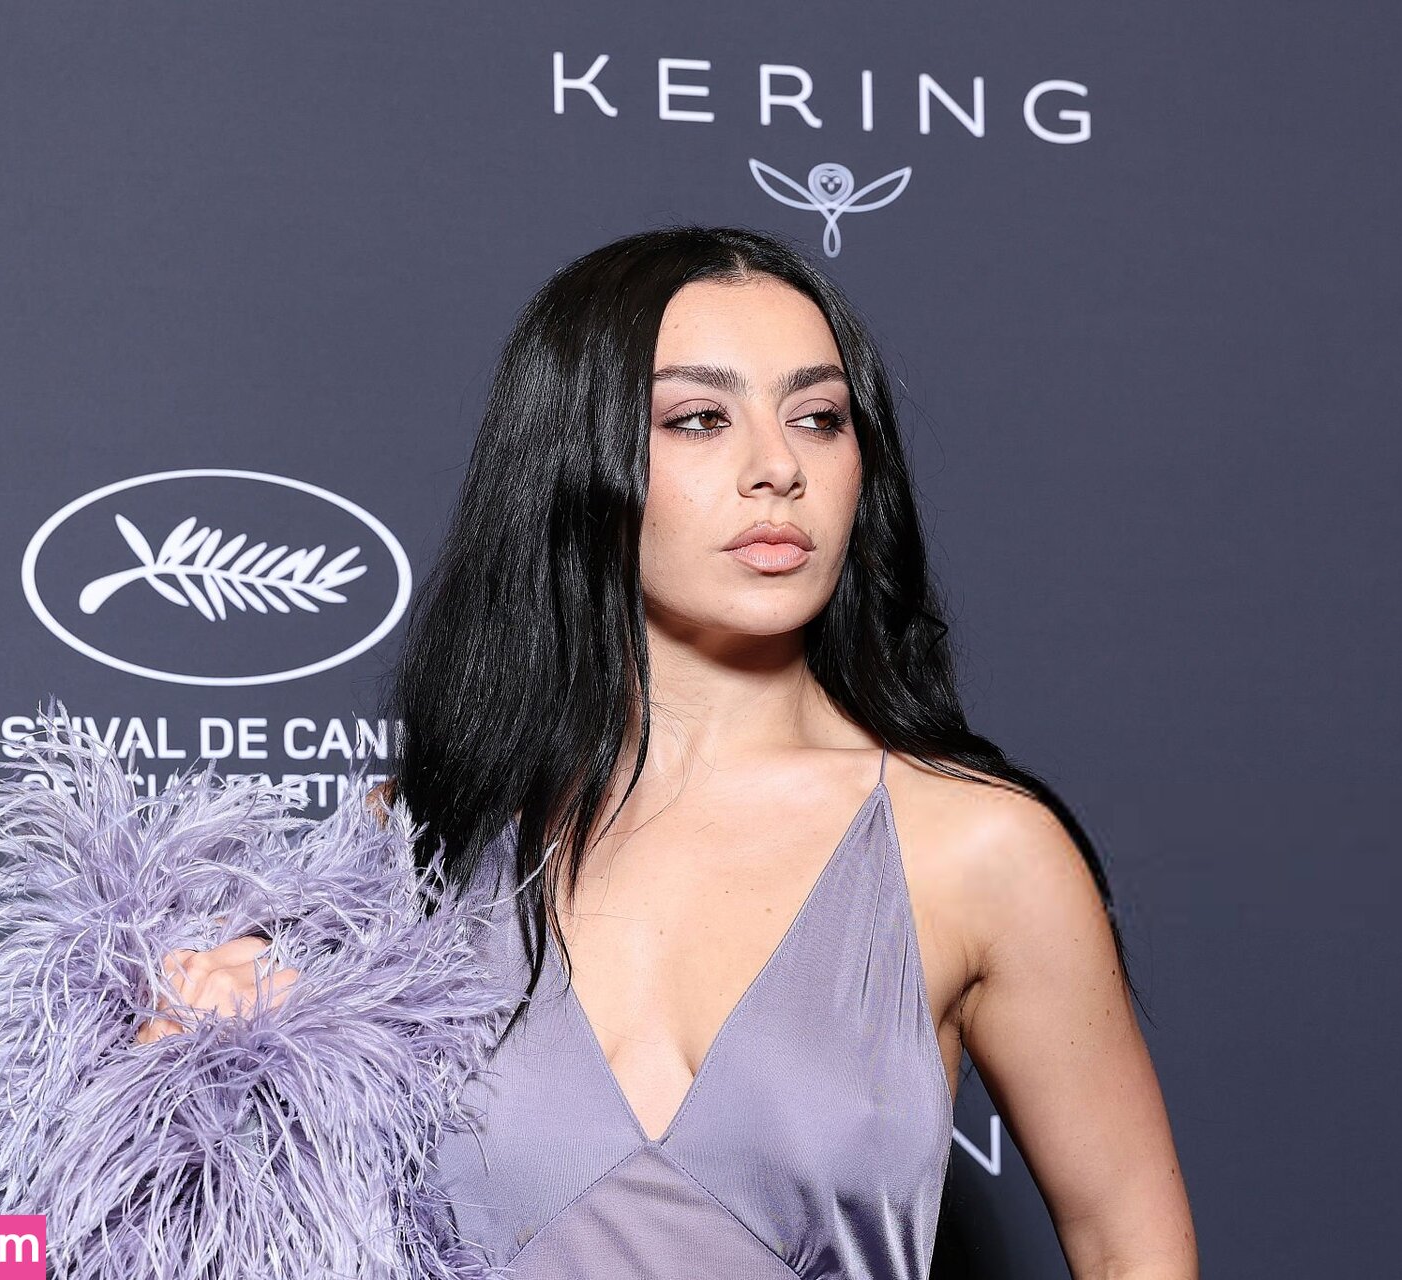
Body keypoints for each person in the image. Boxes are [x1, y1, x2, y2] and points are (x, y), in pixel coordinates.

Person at [144, 225, 1198, 1279]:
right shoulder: (422, 835)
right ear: (574, 461)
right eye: (699, 419)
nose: (778, 468)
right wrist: (200, 1072)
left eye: (819, 418)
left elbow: (1132, 1248)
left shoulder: (976, 848)